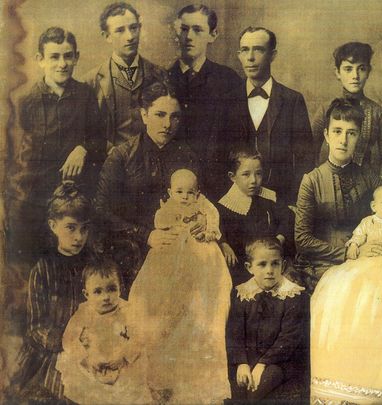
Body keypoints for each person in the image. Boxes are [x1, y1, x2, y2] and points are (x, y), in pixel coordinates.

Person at [310, 185, 382, 404]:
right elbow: (357, 237)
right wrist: (353, 246)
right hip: (364, 263)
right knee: (346, 289)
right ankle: (345, 375)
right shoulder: (367, 222)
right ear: (373, 206)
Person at [128, 168, 232, 404]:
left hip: (200, 255)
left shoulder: (204, 207)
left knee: (206, 297)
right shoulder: (168, 206)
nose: (184, 197)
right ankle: (159, 374)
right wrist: (171, 217)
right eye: (179, 192)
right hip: (171, 254)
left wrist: (206, 227)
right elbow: (160, 221)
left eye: (190, 192)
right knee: (158, 299)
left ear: (198, 193)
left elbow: (214, 222)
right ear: (170, 191)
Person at [7, 27, 104, 266]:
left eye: (68, 56)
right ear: (40, 60)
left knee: (75, 265)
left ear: (76, 57)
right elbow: (12, 156)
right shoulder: (26, 102)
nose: (62, 64)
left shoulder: (86, 95)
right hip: (36, 198)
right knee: (33, 264)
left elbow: (100, 141)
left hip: (74, 200)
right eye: (54, 56)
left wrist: (83, 149)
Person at [95, 81, 198, 293]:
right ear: (144, 115)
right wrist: (146, 235)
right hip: (133, 246)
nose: (168, 124)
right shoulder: (122, 156)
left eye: (175, 116)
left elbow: (199, 201)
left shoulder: (187, 156)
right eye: (160, 114)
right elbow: (101, 211)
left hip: (180, 245)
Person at [294, 98, 382, 293]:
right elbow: (302, 239)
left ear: (358, 138)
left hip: (366, 259)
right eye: (337, 131)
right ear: (326, 135)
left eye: (351, 133)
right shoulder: (312, 180)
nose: (343, 140)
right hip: (324, 264)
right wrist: (349, 252)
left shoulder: (369, 177)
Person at [8, 182, 92, 402]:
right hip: (52, 350)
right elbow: (36, 327)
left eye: (84, 229)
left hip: (90, 345)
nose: (78, 237)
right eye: (71, 228)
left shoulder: (94, 266)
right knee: (59, 392)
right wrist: (66, 341)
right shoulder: (43, 270)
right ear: (53, 225)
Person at [222, 26, 314, 204]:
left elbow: (305, 160)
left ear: (273, 55)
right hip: (234, 202)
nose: (250, 57)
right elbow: (217, 156)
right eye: (245, 50)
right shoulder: (226, 100)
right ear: (239, 55)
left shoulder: (292, 100)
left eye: (258, 49)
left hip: (281, 201)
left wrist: (293, 203)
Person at [57, 259, 151, 404]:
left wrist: (124, 357)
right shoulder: (84, 312)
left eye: (111, 289)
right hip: (92, 362)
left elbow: (139, 336)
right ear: (86, 294)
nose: (106, 297)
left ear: (120, 288)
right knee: (88, 389)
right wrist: (86, 359)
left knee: (128, 389)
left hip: (122, 362)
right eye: (98, 291)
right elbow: (69, 339)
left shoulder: (128, 310)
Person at [226, 237, 308, 402]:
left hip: (279, 360)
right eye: (262, 264)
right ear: (249, 268)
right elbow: (234, 333)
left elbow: (289, 338)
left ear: (283, 266)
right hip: (248, 358)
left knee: (257, 391)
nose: (269, 270)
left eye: (275, 264)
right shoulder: (241, 294)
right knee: (233, 389)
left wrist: (262, 364)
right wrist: (242, 363)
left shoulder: (293, 295)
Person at [83, 2, 167, 151]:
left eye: (134, 28)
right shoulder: (91, 81)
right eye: (120, 30)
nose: (130, 37)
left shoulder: (159, 74)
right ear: (107, 36)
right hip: (109, 163)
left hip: (152, 161)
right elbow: (88, 133)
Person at [167, 4, 241, 162]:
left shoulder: (229, 80)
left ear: (213, 35)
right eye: (184, 29)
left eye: (198, 30)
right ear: (176, 33)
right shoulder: (162, 79)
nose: (189, 37)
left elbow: (238, 140)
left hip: (216, 177)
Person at [312, 42, 382, 181]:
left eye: (361, 69)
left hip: (365, 186)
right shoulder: (325, 110)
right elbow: (309, 150)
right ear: (337, 72)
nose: (355, 75)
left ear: (368, 72)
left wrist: (380, 184)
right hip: (330, 182)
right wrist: (316, 181)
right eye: (348, 69)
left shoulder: (378, 113)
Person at [218, 145, 293, 285]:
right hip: (241, 268)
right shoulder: (225, 206)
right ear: (232, 177)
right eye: (246, 174)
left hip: (269, 264)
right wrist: (223, 243)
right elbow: (216, 229)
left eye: (258, 174)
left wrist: (279, 239)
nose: (253, 180)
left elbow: (287, 218)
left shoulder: (269, 198)